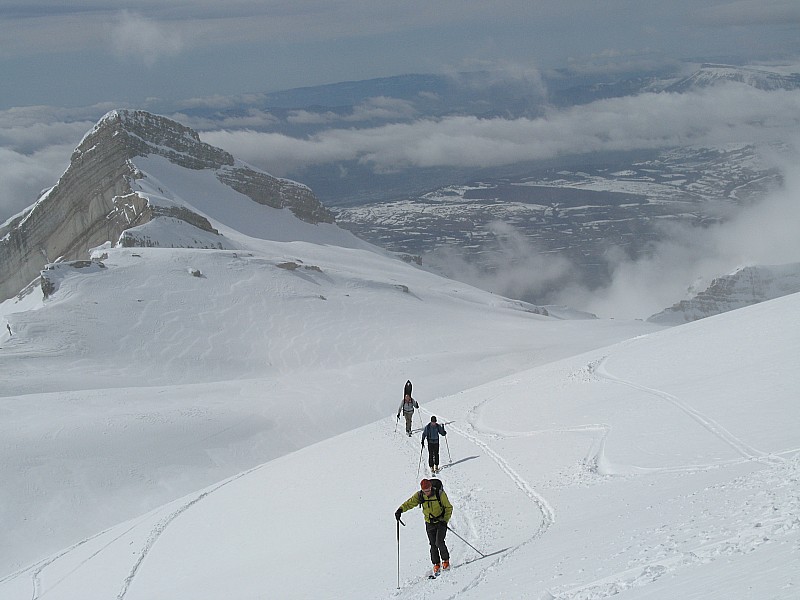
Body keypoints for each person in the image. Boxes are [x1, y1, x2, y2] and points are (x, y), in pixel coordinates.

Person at [395, 478, 453, 576]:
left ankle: (445, 561)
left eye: (428, 490)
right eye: (424, 491)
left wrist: (445, 520)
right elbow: (410, 503)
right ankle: (436, 564)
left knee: (439, 542)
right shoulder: (420, 495)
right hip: (429, 522)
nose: (427, 492)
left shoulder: (440, 494)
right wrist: (400, 510)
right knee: (432, 544)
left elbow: (449, 507)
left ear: (431, 487)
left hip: (441, 521)